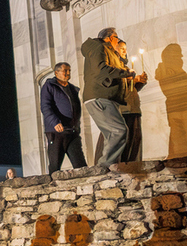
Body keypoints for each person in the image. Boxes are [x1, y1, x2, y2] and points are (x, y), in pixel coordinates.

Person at [82, 26, 146, 167]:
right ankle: (104, 166)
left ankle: (108, 166)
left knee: (113, 134)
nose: (118, 44)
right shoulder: (99, 47)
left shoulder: (107, 52)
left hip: (107, 97)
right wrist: (126, 72)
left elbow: (118, 80)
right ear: (112, 38)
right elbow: (102, 70)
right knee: (118, 131)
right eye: (117, 39)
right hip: (100, 96)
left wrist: (134, 81)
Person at [41, 61, 86, 172]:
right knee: (55, 165)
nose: (67, 73)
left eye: (69, 70)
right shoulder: (49, 86)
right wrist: (55, 122)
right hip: (56, 132)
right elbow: (45, 106)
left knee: (81, 165)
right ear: (56, 73)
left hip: (72, 132)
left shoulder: (73, 89)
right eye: (64, 70)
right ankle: (52, 187)